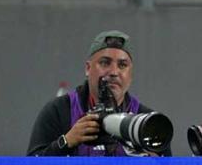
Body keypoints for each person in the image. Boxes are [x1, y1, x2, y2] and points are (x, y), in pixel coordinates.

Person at [27, 30, 170, 157]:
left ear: (130, 74)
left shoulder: (145, 122)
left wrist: (154, 164)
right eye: (105, 63)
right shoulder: (60, 111)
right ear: (88, 69)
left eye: (122, 65)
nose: (114, 72)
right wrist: (66, 141)